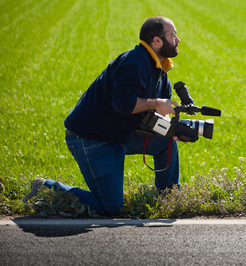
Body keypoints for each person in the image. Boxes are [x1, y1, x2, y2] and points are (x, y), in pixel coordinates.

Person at [23, 16, 182, 216]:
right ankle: (47, 187)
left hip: (119, 135)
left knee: (166, 141)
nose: (177, 40)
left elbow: (156, 116)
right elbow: (122, 103)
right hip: (91, 139)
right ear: (156, 41)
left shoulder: (160, 72)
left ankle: (169, 198)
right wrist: (157, 104)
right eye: (173, 35)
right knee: (111, 208)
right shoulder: (136, 62)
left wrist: (174, 129)